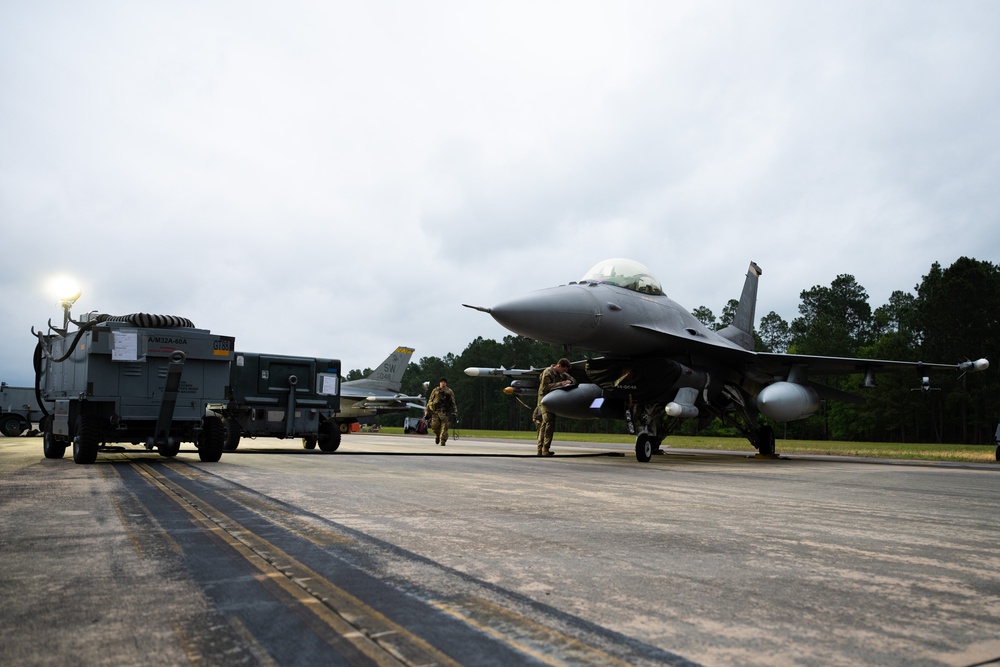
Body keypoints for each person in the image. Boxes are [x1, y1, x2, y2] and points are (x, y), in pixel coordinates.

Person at [536, 358, 575, 456]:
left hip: (552, 400)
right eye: (564, 370)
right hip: (544, 399)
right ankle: (543, 449)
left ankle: (542, 449)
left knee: (546, 423)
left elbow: (573, 380)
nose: (564, 372)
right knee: (548, 421)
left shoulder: (561, 374)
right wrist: (561, 384)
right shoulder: (548, 372)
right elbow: (545, 387)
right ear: (559, 366)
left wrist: (569, 382)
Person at [424, 377, 457, 446]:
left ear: (446, 383)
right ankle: (437, 435)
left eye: (444, 382)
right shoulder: (435, 391)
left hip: (445, 413)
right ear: (440, 383)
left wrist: (455, 412)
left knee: (444, 428)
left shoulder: (449, 391)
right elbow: (430, 400)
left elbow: (453, 402)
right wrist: (427, 410)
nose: (443, 383)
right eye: (442, 382)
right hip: (436, 412)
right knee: (434, 426)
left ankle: (443, 440)